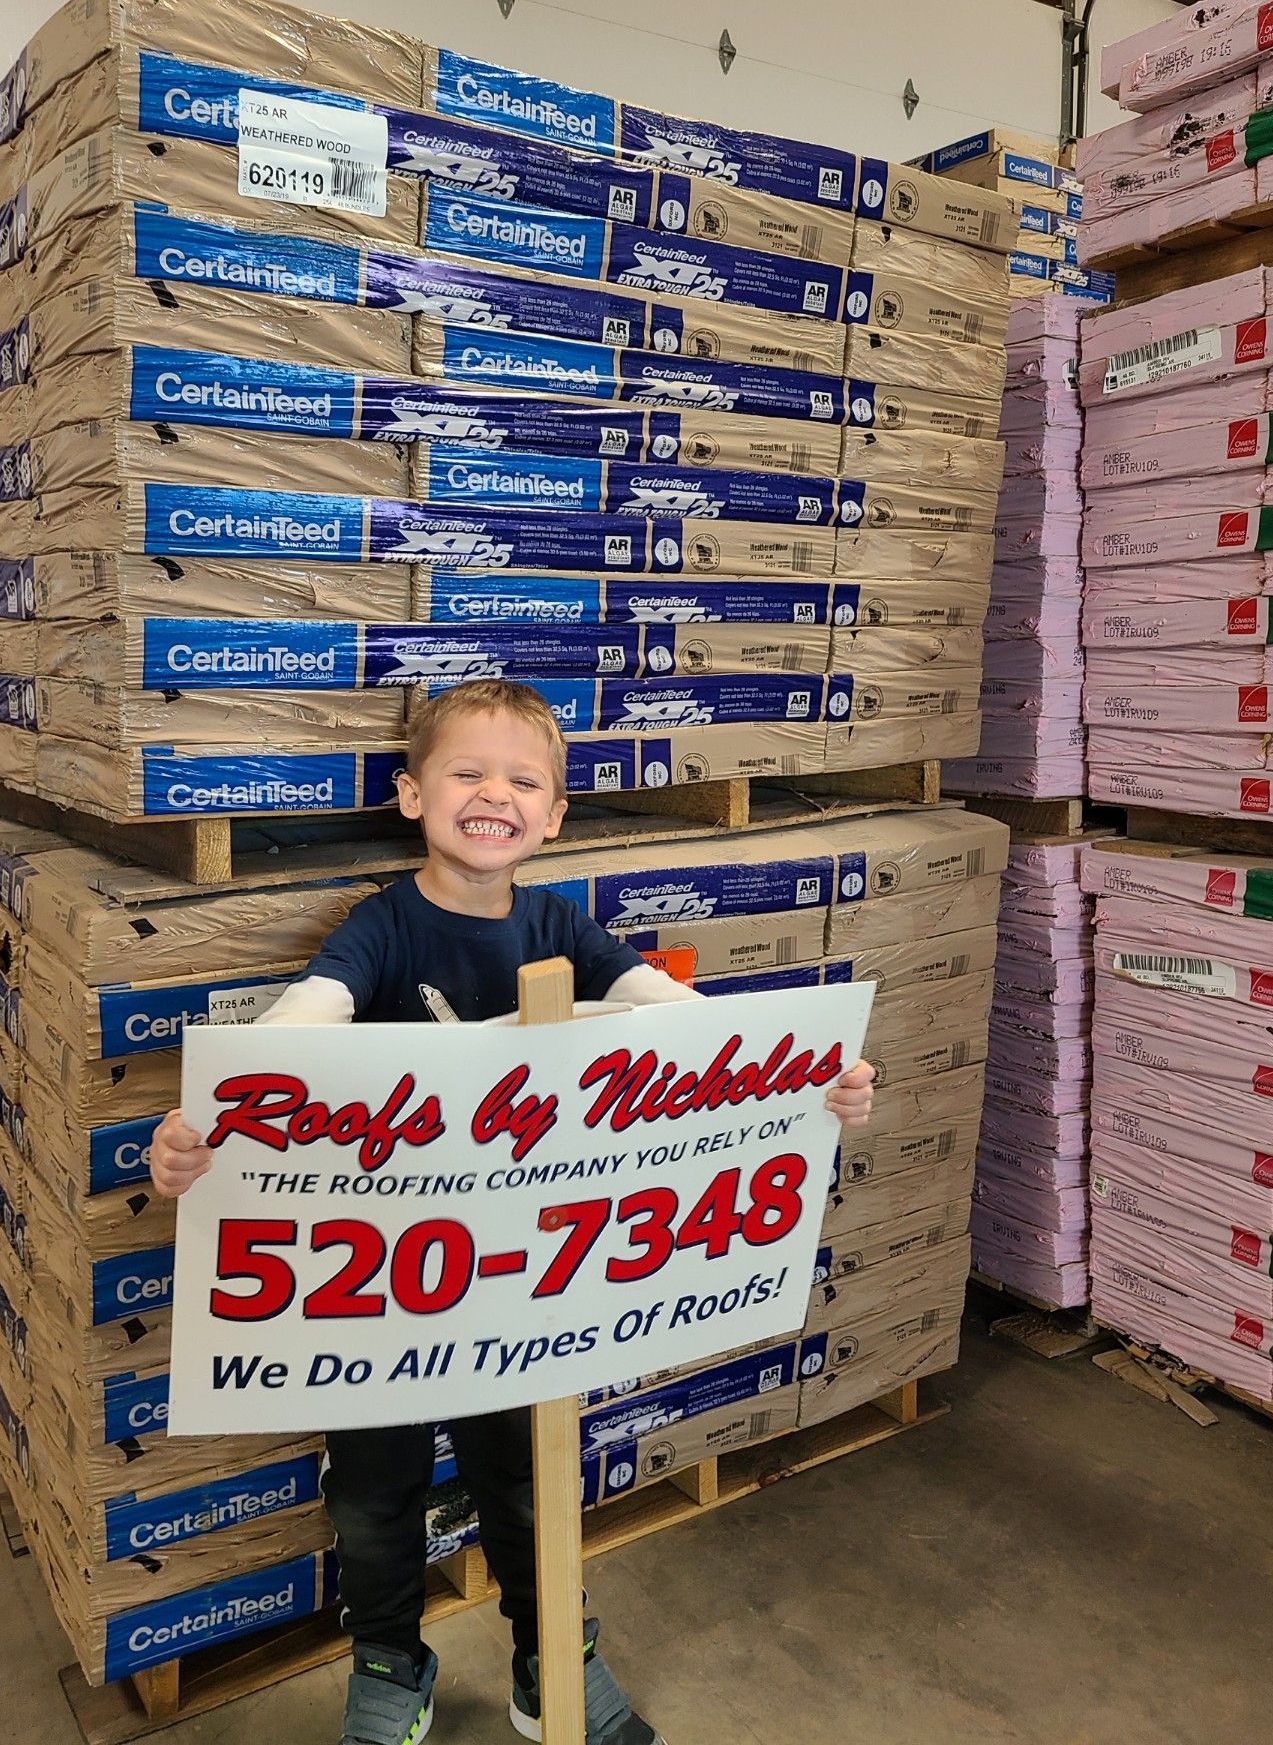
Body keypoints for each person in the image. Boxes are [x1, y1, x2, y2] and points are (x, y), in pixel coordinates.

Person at [150, 679, 875, 1745]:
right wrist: (220, 1114)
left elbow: (670, 1015)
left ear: (555, 814)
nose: (495, 793)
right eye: (466, 773)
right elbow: (313, 1014)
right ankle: (390, 1660)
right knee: (375, 1494)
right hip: (387, 1289)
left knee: (530, 1482)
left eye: (523, 779)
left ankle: (551, 1659)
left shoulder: (557, 923)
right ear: (411, 795)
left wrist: (797, 1072)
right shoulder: (382, 928)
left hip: (523, 1288)